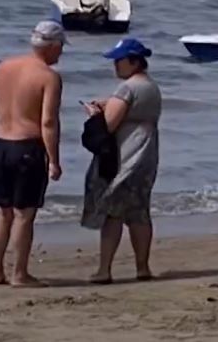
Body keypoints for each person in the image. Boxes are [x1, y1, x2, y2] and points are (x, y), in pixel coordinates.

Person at [0, 20, 65, 287]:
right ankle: (19, 274)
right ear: (52, 46)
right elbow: (48, 122)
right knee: (24, 214)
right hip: (27, 148)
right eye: (61, 48)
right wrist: (54, 160)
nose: (61, 53)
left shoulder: (4, 66)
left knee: (2, 210)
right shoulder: (48, 77)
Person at [81, 38, 162, 284]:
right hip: (147, 154)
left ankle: (104, 269)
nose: (115, 66)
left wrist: (95, 114)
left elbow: (109, 124)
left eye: (119, 61)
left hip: (127, 156)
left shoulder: (127, 88)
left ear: (134, 61)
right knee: (139, 212)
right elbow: (133, 111)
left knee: (113, 213)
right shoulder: (150, 86)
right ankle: (142, 267)